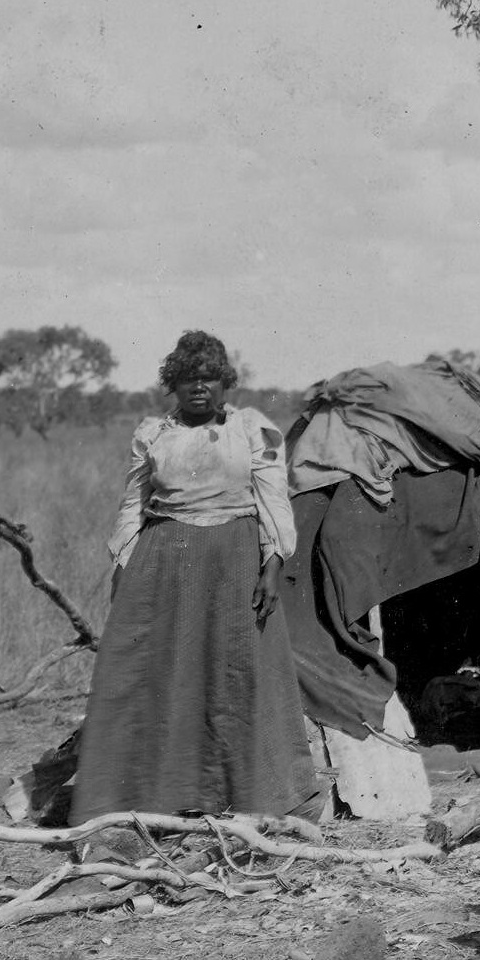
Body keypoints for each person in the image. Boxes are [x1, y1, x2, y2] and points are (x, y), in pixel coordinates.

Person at [71, 331, 319, 823]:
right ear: (173, 384)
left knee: (237, 674)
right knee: (159, 674)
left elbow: (273, 500)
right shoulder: (153, 434)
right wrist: (122, 564)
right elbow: (132, 505)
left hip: (234, 559)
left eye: (208, 377)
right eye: (188, 378)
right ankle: (147, 797)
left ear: (225, 382)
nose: (198, 387)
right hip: (165, 559)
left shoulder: (252, 429)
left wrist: (273, 564)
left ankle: (249, 798)